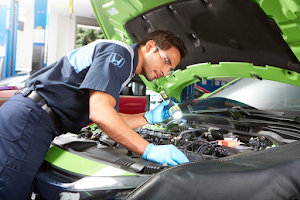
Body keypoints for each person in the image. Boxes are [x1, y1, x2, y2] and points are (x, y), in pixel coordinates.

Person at [0, 30, 189, 199]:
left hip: (34, 120)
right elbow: (100, 113)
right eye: (166, 61)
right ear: (150, 47)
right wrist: (149, 150)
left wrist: (147, 117)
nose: (165, 72)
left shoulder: (125, 66)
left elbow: (109, 117)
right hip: (28, 120)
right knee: (10, 192)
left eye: (171, 69)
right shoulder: (119, 55)